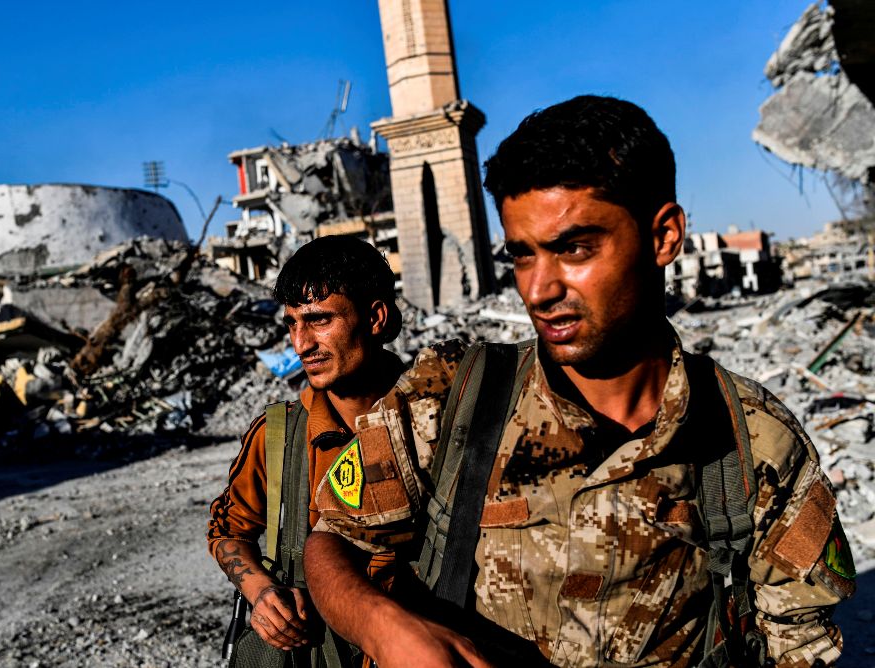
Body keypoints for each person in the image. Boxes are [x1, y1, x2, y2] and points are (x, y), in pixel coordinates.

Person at [302, 96, 855, 667]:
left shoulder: (752, 442)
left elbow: (798, 647)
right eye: (522, 255)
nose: (539, 289)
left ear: (664, 235)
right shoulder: (450, 397)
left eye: (574, 248)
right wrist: (384, 627)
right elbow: (332, 540)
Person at [207, 234, 405, 657]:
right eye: (292, 324)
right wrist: (261, 592)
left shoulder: (441, 419)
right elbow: (227, 530)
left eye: (318, 320)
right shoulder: (278, 435)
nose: (301, 345)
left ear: (375, 318)